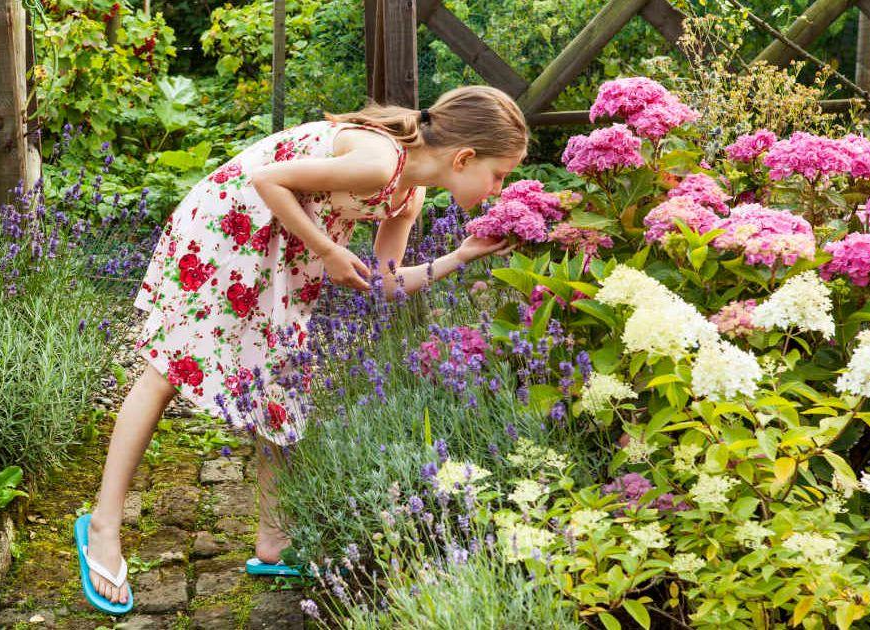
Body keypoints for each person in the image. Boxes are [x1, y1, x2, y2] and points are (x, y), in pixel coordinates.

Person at [74, 85, 529, 614]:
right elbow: (266, 179)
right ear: (464, 157)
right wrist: (330, 249)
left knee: (281, 386)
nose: (499, 189)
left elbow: (382, 284)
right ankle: (103, 524)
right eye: (499, 174)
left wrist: (461, 254)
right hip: (231, 227)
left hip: (287, 248)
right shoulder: (380, 161)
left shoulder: (408, 193)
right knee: (169, 368)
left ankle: (274, 541)